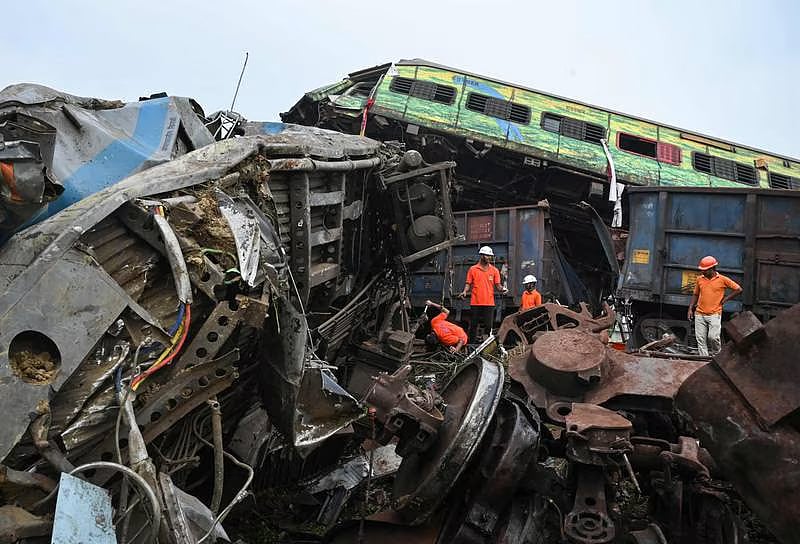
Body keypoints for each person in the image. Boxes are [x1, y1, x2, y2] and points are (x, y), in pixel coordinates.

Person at [687, 255, 742, 356]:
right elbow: (695, 294)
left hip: (714, 314)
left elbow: (738, 289)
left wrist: (725, 299)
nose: (702, 272)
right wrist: (690, 309)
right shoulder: (700, 279)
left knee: (713, 337)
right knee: (700, 339)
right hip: (699, 314)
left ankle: (717, 356)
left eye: (705, 270)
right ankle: (704, 360)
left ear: (712, 269)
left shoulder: (722, 279)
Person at [458, 246, 507, 341]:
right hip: (475, 302)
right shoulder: (473, 269)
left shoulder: (494, 270)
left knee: (489, 326)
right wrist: (464, 291)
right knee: (473, 325)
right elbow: (468, 283)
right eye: (487, 256)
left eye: (490, 256)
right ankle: (471, 345)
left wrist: (503, 289)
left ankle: (487, 345)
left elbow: (498, 285)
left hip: (489, 303)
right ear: (481, 256)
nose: (489, 258)